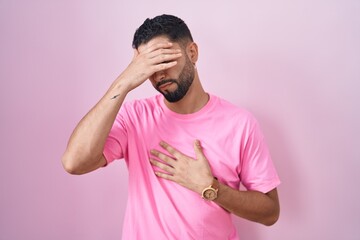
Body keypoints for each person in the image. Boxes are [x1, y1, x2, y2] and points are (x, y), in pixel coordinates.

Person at [61, 14, 281, 240]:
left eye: (164, 60)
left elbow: (270, 212)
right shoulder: (134, 117)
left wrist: (211, 188)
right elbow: (74, 162)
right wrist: (124, 82)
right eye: (149, 67)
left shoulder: (239, 123)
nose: (159, 74)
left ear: (192, 53)